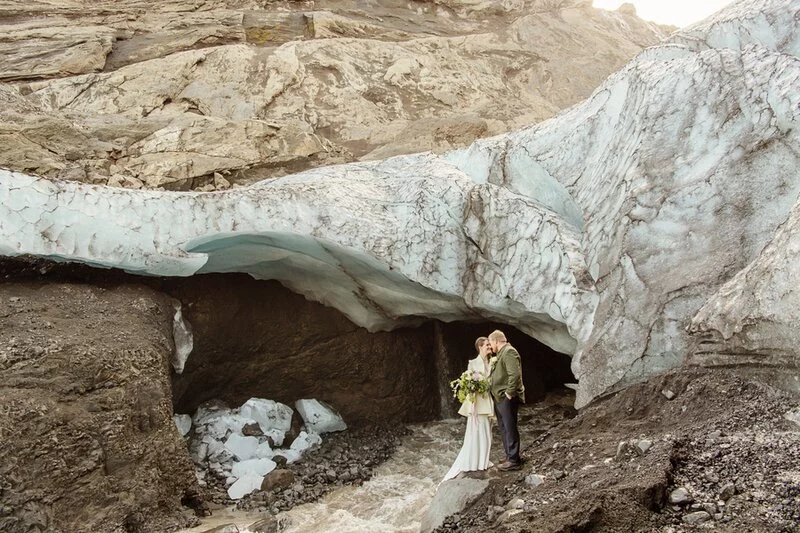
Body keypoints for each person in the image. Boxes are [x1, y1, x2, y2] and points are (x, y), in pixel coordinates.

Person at [442, 337, 494, 482]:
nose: (489, 347)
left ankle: (484, 460)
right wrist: (474, 386)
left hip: (488, 400)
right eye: (487, 345)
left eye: (490, 344)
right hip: (477, 403)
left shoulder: (492, 362)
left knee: (487, 431)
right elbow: (468, 383)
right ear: (480, 347)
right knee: (477, 431)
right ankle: (475, 462)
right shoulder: (473, 363)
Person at [488, 329, 525, 471]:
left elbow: (514, 374)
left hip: (505, 397)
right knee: (504, 427)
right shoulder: (501, 353)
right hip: (499, 397)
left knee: (509, 427)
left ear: (497, 341)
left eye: (491, 343)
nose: (491, 346)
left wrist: (509, 393)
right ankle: (510, 456)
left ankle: (514, 460)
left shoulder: (509, 351)